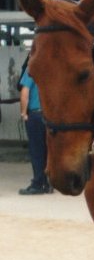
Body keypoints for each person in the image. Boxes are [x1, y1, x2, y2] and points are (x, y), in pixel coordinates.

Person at [18, 62, 52, 195]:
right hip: (50, 117)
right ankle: (48, 183)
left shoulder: (32, 69)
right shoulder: (52, 70)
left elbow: (24, 92)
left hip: (36, 115)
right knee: (48, 150)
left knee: (37, 151)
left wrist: (24, 113)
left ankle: (38, 184)